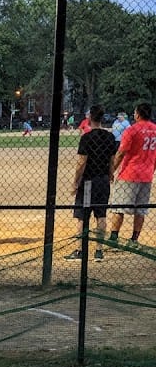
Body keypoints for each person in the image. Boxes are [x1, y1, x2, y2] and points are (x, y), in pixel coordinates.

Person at [64, 104, 117, 262]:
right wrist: (110, 174)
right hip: (102, 180)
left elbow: (82, 162)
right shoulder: (110, 137)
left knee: (82, 216)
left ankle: (80, 250)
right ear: (102, 118)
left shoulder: (86, 138)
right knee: (101, 215)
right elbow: (112, 160)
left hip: (88, 182)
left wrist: (75, 181)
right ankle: (99, 251)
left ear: (89, 118)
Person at [107, 101, 156, 248]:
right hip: (147, 174)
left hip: (130, 173)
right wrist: (152, 170)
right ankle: (134, 239)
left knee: (119, 207)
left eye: (135, 112)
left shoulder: (132, 130)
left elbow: (121, 153)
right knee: (140, 209)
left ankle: (113, 238)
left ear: (139, 115)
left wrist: (112, 170)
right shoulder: (155, 129)